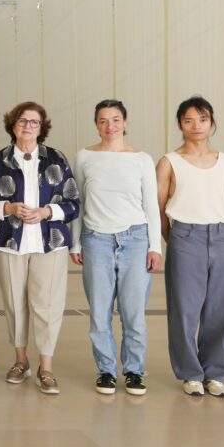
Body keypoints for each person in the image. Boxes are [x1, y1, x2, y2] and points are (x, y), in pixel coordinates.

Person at [0, 101, 79, 395]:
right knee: (14, 302)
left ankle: (46, 367)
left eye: (34, 122)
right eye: (22, 121)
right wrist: (7, 207)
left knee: (47, 304)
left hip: (50, 243)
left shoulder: (56, 159)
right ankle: (20, 360)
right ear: (13, 125)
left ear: (42, 128)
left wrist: (47, 212)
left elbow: (73, 202)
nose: (28, 127)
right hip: (9, 242)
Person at [71, 100, 161, 397]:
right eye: (103, 120)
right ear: (96, 124)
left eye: (116, 119)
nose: (110, 126)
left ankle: (134, 370)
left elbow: (151, 204)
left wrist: (154, 246)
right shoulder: (84, 157)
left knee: (133, 313)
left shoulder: (142, 159)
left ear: (125, 121)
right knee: (99, 313)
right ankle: (106, 370)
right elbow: (78, 203)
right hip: (96, 239)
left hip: (135, 239)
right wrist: (75, 241)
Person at [156, 96, 224, 398]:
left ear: (211, 122)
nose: (196, 126)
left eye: (202, 119)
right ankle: (190, 372)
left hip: (221, 235)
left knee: (221, 308)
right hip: (184, 236)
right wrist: (175, 240)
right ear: (180, 124)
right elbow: (159, 208)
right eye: (188, 120)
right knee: (184, 309)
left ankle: (215, 373)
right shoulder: (169, 162)